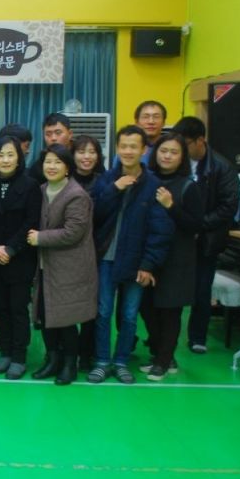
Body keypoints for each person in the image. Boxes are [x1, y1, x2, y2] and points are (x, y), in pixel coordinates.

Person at [89, 125, 174, 384]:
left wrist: (149, 264)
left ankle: (121, 361)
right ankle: (102, 361)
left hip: (137, 262)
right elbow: (94, 216)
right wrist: (114, 189)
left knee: (129, 315)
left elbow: (160, 230)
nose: (128, 151)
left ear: (144, 150)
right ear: (117, 148)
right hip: (105, 258)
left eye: (133, 146)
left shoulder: (154, 185)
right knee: (103, 311)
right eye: (123, 146)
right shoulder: (105, 180)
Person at [26, 145, 97, 385]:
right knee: (46, 316)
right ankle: (53, 360)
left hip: (70, 269)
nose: (52, 166)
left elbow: (73, 232)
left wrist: (40, 238)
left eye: (57, 162)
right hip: (45, 267)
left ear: (67, 167)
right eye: (48, 161)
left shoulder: (76, 195)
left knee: (65, 319)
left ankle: (69, 364)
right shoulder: (41, 190)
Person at [0, 135, 41, 379]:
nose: (5, 160)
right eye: (0, 154)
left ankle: (19, 356)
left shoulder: (30, 185)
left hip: (20, 258)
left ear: (19, 158)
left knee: (18, 308)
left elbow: (31, 221)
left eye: (10, 155)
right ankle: (4, 351)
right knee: (0, 307)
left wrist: (11, 249)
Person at [173, 116, 240, 355]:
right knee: (172, 290)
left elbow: (228, 206)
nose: (181, 149)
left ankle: (197, 337)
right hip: (178, 237)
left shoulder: (221, 167)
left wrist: (198, 225)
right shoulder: (177, 162)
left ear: (200, 140)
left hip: (206, 239)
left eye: (186, 144)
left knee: (201, 290)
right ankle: (164, 339)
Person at [140, 133, 204, 380]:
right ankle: (162, 354)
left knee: (169, 311)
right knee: (147, 308)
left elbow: (194, 225)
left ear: (182, 157)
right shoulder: (148, 181)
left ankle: (163, 361)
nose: (167, 156)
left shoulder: (189, 186)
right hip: (150, 255)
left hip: (177, 259)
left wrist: (171, 206)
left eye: (174, 152)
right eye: (163, 150)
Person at [70, 134, 106, 371]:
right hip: (67, 253)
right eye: (82, 151)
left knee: (92, 306)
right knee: (68, 304)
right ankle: (68, 351)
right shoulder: (64, 180)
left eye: (92, 152)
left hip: (96, 252)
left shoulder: (105, 182)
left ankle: (86, 353)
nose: (87, 157)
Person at [27, 113, 73, 183]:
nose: (53, 138)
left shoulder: (81, 157)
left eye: (58, 133)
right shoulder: (38, 167)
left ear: (70, 134)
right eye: (48, 134)